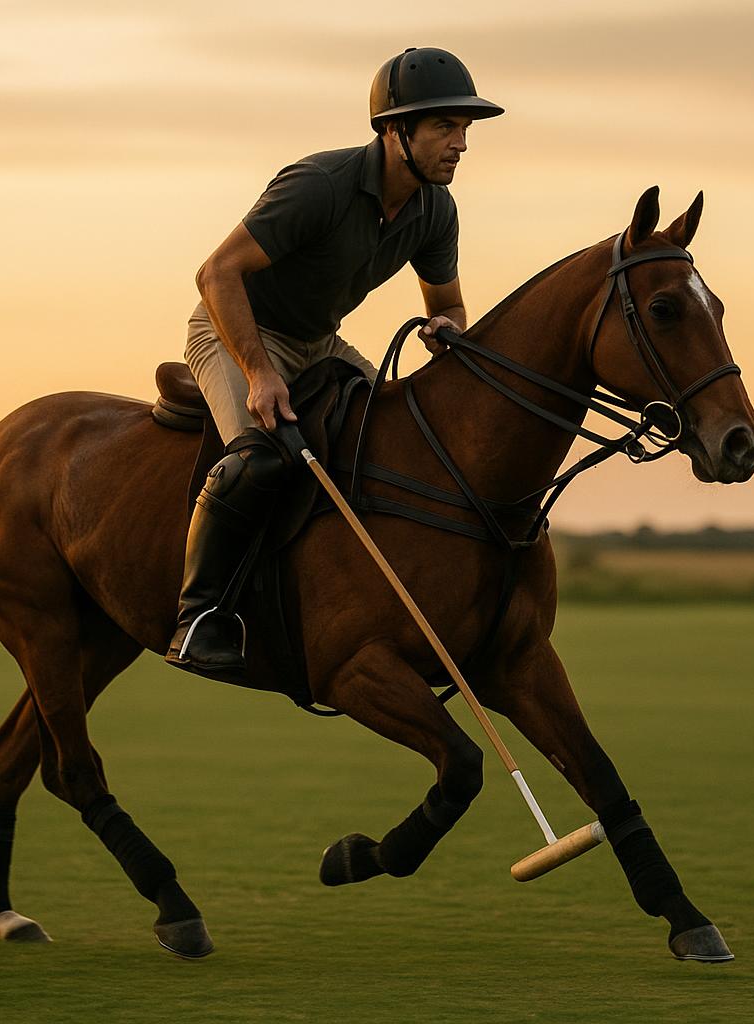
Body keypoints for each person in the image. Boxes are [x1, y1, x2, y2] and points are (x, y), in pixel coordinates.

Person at [166, 47, 504, 679]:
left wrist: (446, 330)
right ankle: (199, 617)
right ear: (393, 130)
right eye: (444, 128)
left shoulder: (435, 209)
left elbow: (451, 306)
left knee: (408, 440)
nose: (460, 144)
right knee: (259, 460)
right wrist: (262, 373)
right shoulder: (319, 184)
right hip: (236, 331)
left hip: (320, 342)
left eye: (464, 130)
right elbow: (217, 273)